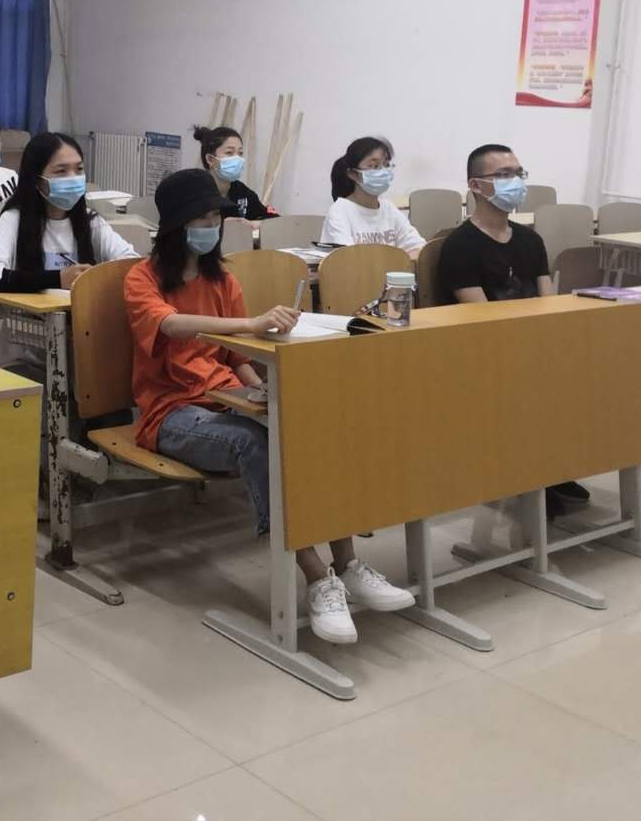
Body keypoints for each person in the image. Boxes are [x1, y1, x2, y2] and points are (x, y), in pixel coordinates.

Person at [124, 168, 413, 644]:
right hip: (171, 413)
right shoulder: (143, 278)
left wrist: (264, 394)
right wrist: (253, 325)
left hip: (226, 396)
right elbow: (171, 324)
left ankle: (348, 564)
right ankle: (317, 578)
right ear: (175, 223)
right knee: (255, 444)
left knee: (303, 430)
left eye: (215, 217)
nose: (210, 226)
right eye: (200, 218)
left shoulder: (222, 280)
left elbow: (237, 358)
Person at [439, 143, 589, 515]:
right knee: (531, 381)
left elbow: (548, 304)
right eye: (504, 175)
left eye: (519, 174)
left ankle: (553, 467)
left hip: (532, 342)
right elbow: (482, 318)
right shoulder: (460, 245)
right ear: (476, 185)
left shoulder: (530, 240)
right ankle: (528, 474)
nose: (516, 182)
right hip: (488, 348)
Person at [0, 132, 136, 373]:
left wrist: (95, 280)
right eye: (61, 171)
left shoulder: (91, 222)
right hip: (16, 357)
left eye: (78, 169)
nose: (73, 178)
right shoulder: (14, 219)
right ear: (37, 179)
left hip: (74, 355)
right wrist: (58, 279)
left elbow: (131, 264)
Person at [320, 136, 425, 256]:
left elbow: (418, 247)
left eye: (386, 165)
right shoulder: (340, 211)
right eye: (374, 166)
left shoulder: (388, 208)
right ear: (353, 174)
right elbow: (348, 259)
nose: (383, 171)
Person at [194, 125, 276, 221]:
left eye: (240, 153)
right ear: (210, 159)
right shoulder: (195, 193)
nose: (237, 159)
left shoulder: (242, 192)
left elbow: (270, 218)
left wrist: (257, 223)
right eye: (229, 152)